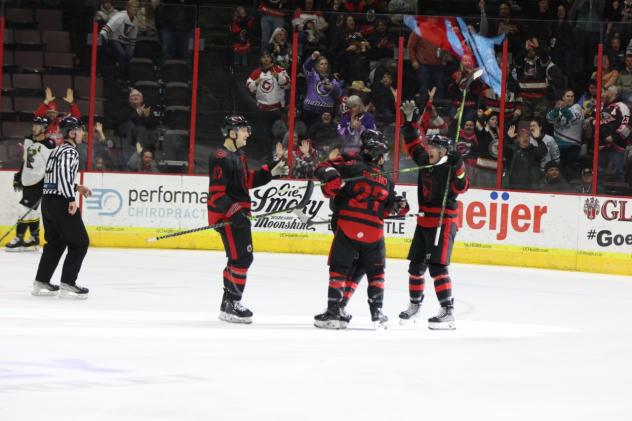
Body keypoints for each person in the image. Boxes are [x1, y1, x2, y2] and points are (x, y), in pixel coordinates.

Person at [313, 129, 409, 329]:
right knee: (375, 271)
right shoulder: (386, 179)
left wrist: (329, 174)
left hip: (347, 227)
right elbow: (389, 210)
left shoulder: (350, 166)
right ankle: (377, 312)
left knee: (340, 269)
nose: (386, 158)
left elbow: (324, 175)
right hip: (373, 234)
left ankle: (334, 311)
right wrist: (400, 205)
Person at [207, 115, 289, 324]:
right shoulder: (220, 156)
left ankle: (228, 302)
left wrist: (271, 171)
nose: (247, 134)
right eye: (243, 130)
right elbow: (216, 194)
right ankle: (232, 303)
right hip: (229, 218)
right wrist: (235, 213)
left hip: (237, 216)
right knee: (243, 258)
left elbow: (246, 182)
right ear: (231, 133)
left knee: (237, 258)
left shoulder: (238, 156)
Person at [399, 100, 470, 330]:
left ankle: (447, 311)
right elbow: (412, 144)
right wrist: (410, 122)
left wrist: (459, 166)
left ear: (444, 151)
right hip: (424, 221)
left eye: (433, 147)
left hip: (444, 221)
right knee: (415, 266)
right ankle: (415, 305)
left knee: (437, 267)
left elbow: (462, 187)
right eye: (429, 145)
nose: (428, 148)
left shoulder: (451, 167)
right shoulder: (424, 161)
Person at [33, 117, 92, 298]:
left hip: (48, 203)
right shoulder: (70, 152)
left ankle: (41, 281)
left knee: (56, 243)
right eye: (80, 130)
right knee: (80, 242)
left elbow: (56, 178)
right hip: (61, 202)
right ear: (72, 132)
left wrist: (76, 187)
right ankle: (68, 282)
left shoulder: (56, 150)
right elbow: (65, 176)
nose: (83, 133)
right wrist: (71, 198)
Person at [6, 117, 55, 252]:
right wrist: (19, 176)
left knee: (23, 208)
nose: (33, 128)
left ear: (44, 128)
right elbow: (26, 160)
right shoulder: (29, 140)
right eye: (33, 125)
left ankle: (19, 238)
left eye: (37, 126)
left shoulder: (49, 144)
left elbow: (52, 166)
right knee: (32, 211)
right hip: (27, 180)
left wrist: (49, 183)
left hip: (39, 182)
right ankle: (34, 238)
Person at [99, 0, 139, 82]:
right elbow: (109, 25)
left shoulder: (135, 21)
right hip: (114, 39)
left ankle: (125, 76)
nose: (135, 9)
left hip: (125, 42)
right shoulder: (120, 16)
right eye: (133, 7)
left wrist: (132, 48)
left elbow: (133, 36)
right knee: (122, 54)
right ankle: (120, 77)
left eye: (137, 8)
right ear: (128, 8)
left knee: (130, 54)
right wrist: (103, 35)